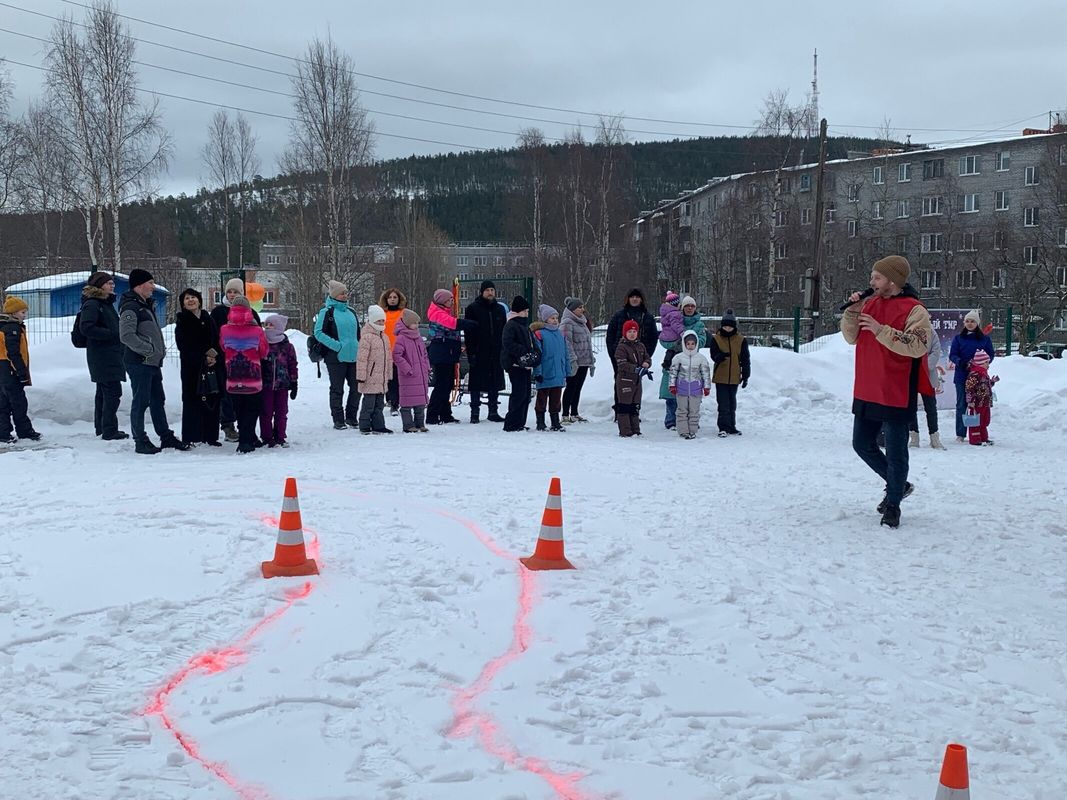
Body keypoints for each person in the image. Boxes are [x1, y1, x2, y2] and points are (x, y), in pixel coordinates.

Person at [841, 255, 933, 529]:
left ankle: (893, 504)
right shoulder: (869, 303)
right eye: (872, 277)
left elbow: (918, 345)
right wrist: (852, 312)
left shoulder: (915, 309)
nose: (872, 282)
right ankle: (899, 485)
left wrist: (881, 330)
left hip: (896, 389)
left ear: (892, 280)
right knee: (862, 444)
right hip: (867, 386)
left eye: (877, 277)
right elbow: (850, 337)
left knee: (896, 452)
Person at [119, 269, 189, 454]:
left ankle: (166, 436)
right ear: (140, 285)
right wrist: (148, 350)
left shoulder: (145, 305)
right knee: (141, 401)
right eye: (150, 283)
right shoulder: (131, 307)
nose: (153, 287)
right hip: (139, 362)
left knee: (157, 400)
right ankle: (140, 440)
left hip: (151, 362)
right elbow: (126, 336)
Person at [210, 278, 261, 442]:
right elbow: (213, 335)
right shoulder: (218, 312)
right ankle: (228, 425)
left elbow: (259, 336)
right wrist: (215, 354)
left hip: (247, 362)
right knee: (226, 394)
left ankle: (246, 427)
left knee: (246, 396)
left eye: (236, 292)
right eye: (229, 292)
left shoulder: (251, 313)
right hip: (224, 359)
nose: (232, 295)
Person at [78, 271, 127, 440]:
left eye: (112, 283)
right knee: (112, 392)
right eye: (108, 283)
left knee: (103, 393)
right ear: (99, 285)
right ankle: (109, 430)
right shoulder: (93, 304)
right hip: (103, 355)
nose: (112, 285)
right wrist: (112, 334)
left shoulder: (104, 303)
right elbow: (87, 327)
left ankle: (102, 427)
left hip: (108, 354)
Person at [219, 296, 269, 454]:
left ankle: (246, 438)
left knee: (239, 409)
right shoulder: (257, 330)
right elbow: (264, 352)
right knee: (252, 409)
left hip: (232, 377)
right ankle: (246, 441)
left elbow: (223, 347)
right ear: (249, 310)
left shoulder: (224, 329)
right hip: (253, 378)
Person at [174, 288, 222, 447]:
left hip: (211, 365)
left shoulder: (208, 318)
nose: (190, 300)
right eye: (187, 298)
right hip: (191, 367)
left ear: (199, 300)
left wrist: (214, 357)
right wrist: (202, 358)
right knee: (192, 399)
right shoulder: (182, 320)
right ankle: (191, 436)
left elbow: (216, 339)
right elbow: (183, 345)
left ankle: (211, 436)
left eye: (193, 297)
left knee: (212, 397)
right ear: (183, 303)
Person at [313, 280, 361, 431]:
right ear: (334, 295)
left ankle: (351, 417)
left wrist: (358, 346)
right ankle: (338, 419)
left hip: (354, 356)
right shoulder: (326, 312)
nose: (345, 295)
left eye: (346, 293)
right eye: (342, 293)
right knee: (337, 389)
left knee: (357, 388)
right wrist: (337, 346)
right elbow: (318, 333)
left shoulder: (352, 312)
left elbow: (358, 333)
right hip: (335, 357)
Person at [425, 288, 477, 425]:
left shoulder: (444, 312)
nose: (452, 302)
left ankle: (445, 413)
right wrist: (471, 324)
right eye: (450, 299)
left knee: (448, 384)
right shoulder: (437, 313)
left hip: (448, 353)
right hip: (442, 353)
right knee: (442, 385)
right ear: (442, 301)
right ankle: (432, 415)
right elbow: (452, 324)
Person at [658, 296, 706, 429]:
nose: (689, 308)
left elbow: (702, 340)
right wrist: (675, 344)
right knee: (671, 392)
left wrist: (690, 344)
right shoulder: (674, 319)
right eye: (687, 306)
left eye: (692, 306)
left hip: (691, 361)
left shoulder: (699, 325)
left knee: (691, 392)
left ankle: (690, 420)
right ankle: (671, 420)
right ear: (682, 308)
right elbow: (665, 338)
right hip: (673, 359)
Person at [464, 279, 507, 424]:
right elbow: (469, 333)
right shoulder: (473, 309)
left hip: (496, 351)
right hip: (479, 350)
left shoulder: (499, 309)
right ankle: (475, 412)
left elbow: (503, 331)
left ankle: (493, 411)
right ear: (482, 292)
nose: (490, 293)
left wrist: (503, 350)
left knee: (494, 381)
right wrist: (471, 352)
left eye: (492, 290)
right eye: (487, 290)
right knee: (476, 382)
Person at [949, 309, 994, 443]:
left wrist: (982, 365)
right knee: (962, 404)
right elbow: (953, 355)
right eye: (967, 321)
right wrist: (961, 362)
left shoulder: (984, 339)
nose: (969, 323)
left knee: (977, 406)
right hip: (962, 376)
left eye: (972, 321)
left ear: (977, 323)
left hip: (979, 378)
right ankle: (961, 433)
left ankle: (976, 432)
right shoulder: (958, 338)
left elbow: (990, 355)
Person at [0, 296, 40, 444]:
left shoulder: (3, 326)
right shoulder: (13, 329)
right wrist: (22, 373)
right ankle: (25, 431)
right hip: (11, 372)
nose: (25, 315)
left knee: (3, 404)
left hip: (2, 371)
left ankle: (3, 432)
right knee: (19, 403)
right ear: (13, 313)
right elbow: (14, 354)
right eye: (22, 312)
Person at [708, 309, 751, 437]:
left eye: (730, 327)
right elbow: (713, 354)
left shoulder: (741, 340)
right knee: (723, 404)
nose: (727, 329)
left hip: (734, 377)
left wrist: (746, 375)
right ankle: (723, 427)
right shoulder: (716, 339)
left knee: (732, 403)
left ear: (734, 327)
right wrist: (719, 357)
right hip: (721, 376)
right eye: (725, 326)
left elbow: (745, 359)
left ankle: (732, 426)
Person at [605, 288, 659, 383]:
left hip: (639, 356)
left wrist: (646, 355)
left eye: (637, 297)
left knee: (636, 383)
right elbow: (610, 335)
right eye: (632, 297)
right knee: (620, 382)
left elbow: (653, 337)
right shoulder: (619, 315)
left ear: (641, 299)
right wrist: (613, 352)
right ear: (628, 299)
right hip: (620, 356)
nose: (634, 299)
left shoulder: (648, 317)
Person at [260, 314, 298, 448]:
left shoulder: (287, 346)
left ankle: (280, 436)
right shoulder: (262, 343)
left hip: (282, 384)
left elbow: (292, 364)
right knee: (266, 411)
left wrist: (294, 382)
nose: (268, 327)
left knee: (281, 412)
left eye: (271, 325)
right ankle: (267, 437)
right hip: (265, 384)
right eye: (266, 325)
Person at [356, 304, 394, 434]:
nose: (381, 323)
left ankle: (378, 425)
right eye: (378, 320)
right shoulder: (367, 337)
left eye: (383, 320)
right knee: (369, 404)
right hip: (369, 378)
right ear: (372, 321)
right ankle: (364, 425)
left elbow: (388, 359)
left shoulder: (385, 337)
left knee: (379, 404)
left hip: (381, 379)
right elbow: (362, 359)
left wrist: (389, 374)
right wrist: (361, 376)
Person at [500, 296, 536, 432]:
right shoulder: (511, 325)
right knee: (519, 394)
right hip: (515, 364)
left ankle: (520, 422)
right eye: (525, 311)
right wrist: (524, 350)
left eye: (527, 311)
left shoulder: (524, 325)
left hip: (525, 364)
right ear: (518, 311)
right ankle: (511, 423)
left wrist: (533, 352)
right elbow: (508, 344)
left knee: (525, 394)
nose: (527, 314)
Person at [392, 308, 430, 433]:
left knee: (420, 402)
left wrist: (426, 367)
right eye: (414, 323)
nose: (416, 325)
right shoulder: (401, 338)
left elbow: (424, 354)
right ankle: (408, 425)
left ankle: (420, 424)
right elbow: (397, 356)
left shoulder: (418, 338)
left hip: (420, 375)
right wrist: (407, 369)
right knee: (407, 403)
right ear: (407, 323)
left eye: (417, 323)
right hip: (408, 376)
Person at [669, 330, 712, 439]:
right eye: (688, 344)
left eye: (693, 343)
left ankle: (692, 430)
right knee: (682, 411)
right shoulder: (678, 358)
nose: (690, 346)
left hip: (696, 390)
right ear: (684, 344)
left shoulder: (701, 358)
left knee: (694, 411)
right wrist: (672, 385)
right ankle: (683, 431)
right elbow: (673, 372)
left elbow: (706, 373)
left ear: (696, 344)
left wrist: (707, 387)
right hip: (681, 389)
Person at [614, 319, 651, 438]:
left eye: (634, 332)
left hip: (637, 381)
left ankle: (636, 429)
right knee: (625, 406)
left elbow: (647, 357)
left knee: (635, 406)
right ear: (625, 333)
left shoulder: (640, 346)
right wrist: (635, 369)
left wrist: (646, 363)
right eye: (629, 331)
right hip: (625, 380)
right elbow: (622, 364)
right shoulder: (621, 347)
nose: (632, 334)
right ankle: (625, 430)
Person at [560, 297, 594, 423]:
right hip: (574, 361)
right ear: (572, 309)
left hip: (584, 360)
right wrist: (572, 358)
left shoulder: (583, 321)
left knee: (578, 387)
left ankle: (574, 413)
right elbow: (567, 342)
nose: (582, 309)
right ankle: (565, 414)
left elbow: (587, 341)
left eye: (582, 307)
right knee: (571, 387)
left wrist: (591, 358)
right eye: (579, 307)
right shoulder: (567, 322)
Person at [909, 332, 944, 449]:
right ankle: (914, 437)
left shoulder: (932, 333)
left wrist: (925, 365)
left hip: (927, 374)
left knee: (931, 408)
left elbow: (936, 350)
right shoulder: (909, 329)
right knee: (911, 407)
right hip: (911, 373)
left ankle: (934, 438)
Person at [379, 287, 407, 415]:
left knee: (397, 378)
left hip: (400, 351)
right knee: (387, 378)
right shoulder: (381, 314)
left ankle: (396, 403)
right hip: (385, 350)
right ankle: (389, 399)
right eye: (390, 297)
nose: (392, 299)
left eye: (395, 297)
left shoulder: (404, 313)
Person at [964, 349, 998, 446]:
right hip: (976, 402)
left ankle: (984, 438)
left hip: (985, 402)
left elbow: (985, 386)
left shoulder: (984, 374)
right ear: (980, 363)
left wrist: (992, 382)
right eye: (986, 362)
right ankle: (975, 439)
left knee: (984, 421)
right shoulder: (974, 374)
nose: (988, 364)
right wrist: (970, 400)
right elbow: (969, 388)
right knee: (975, 421)